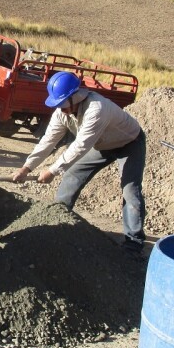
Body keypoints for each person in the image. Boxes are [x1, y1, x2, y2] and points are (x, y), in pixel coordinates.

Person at [12, 71, 147, 254]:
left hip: (129, 143)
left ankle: (134, 243)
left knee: (130, 189)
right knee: (72, 174)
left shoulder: (96, 108)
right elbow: (48, 140)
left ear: (75, 96)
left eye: (62, 103)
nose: (60, 108)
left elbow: (81, 145)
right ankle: (57, 219)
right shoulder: (62, 112)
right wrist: (26, 168)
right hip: (101, 144)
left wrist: (52, 171)